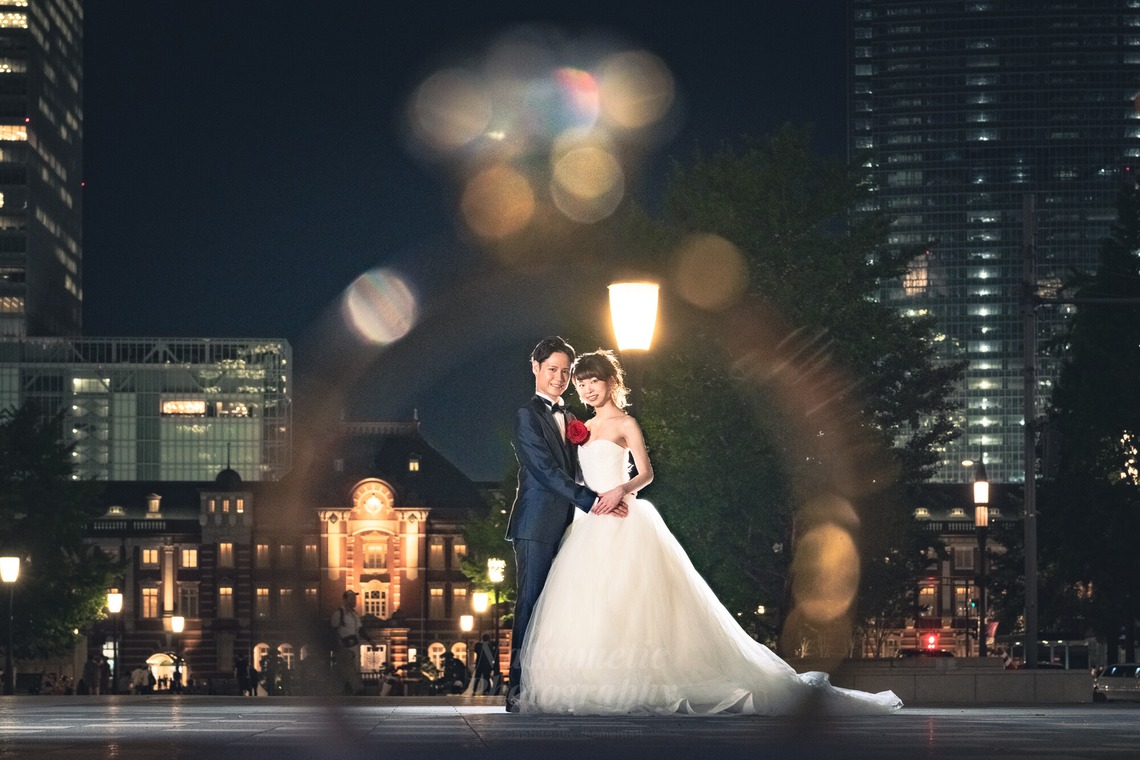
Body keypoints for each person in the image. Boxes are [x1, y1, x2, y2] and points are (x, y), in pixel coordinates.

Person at [518, 349, 903, 716]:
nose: (586, 389)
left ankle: (641, 680)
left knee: (633, 603)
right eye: (581, 383)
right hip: (589, 523)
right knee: (591, 605)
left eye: (593, 381)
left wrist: (622, 489)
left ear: (611, 381)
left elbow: (647, 472)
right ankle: (592, 682)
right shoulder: (579, 428)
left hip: (623, 516)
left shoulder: (625, 424)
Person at [504, 337, 626, 712]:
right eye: (552, 369)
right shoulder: (527, 416)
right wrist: (595, 502)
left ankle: (555, 685)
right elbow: (545, 471)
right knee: (531, 603)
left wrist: (616, 491)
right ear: (536, 369)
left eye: (565, 371)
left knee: (561, 609)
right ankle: (518, 688)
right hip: (537, 524)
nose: (559, 377)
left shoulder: (574, 420)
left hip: (573, 528)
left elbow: (590, 466)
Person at [330, 589, 374, 695]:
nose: (354, 601)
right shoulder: (339, 614)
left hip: (354, 648)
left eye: (355, 598)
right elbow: (332, 630)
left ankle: (337, 693)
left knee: (345, 673)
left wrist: (370, 640)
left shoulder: (355, 615)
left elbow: (360, 630)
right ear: (345, 600)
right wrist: (339, 644)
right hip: (344, 649)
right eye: (352, 598)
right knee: (349, 671)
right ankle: (359, 691)